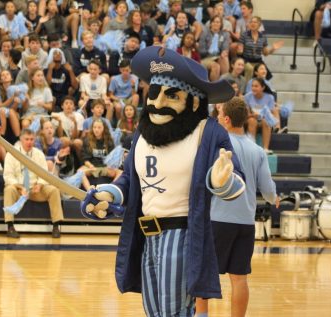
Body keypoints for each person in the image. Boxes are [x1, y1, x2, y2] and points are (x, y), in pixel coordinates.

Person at [80, 46, 245, 316]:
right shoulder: (142, 136)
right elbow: (130, 181)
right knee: (154, 311)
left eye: (171, 95)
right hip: (147, 237)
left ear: (193, 101)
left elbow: (235, 180)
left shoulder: (207, 131)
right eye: (154, 93)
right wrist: (108, 195)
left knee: (175, 312)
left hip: (181, 236)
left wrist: (220, 180)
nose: (157, 103)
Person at [195, 98, 279, 317]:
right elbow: (269, 191)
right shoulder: (258, 150)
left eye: (221, 114)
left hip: (217, 219)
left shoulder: (217, 146)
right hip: (245, 223)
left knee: (205, 273)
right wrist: (274, 198)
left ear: (227, 119)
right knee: (240, 278)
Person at [3, 128, 64, 238]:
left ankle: (56, 226)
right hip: (19, 189)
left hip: (35, 189)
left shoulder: (39, 154)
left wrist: (40, 185)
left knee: (54, 190)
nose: (29, 142)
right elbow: (8, 176)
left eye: (32, 139)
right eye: (26, 139)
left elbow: (45, 175)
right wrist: (20, 187)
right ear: (21, 139)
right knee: (8, 189)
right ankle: (10, 227)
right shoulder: (11, 153)